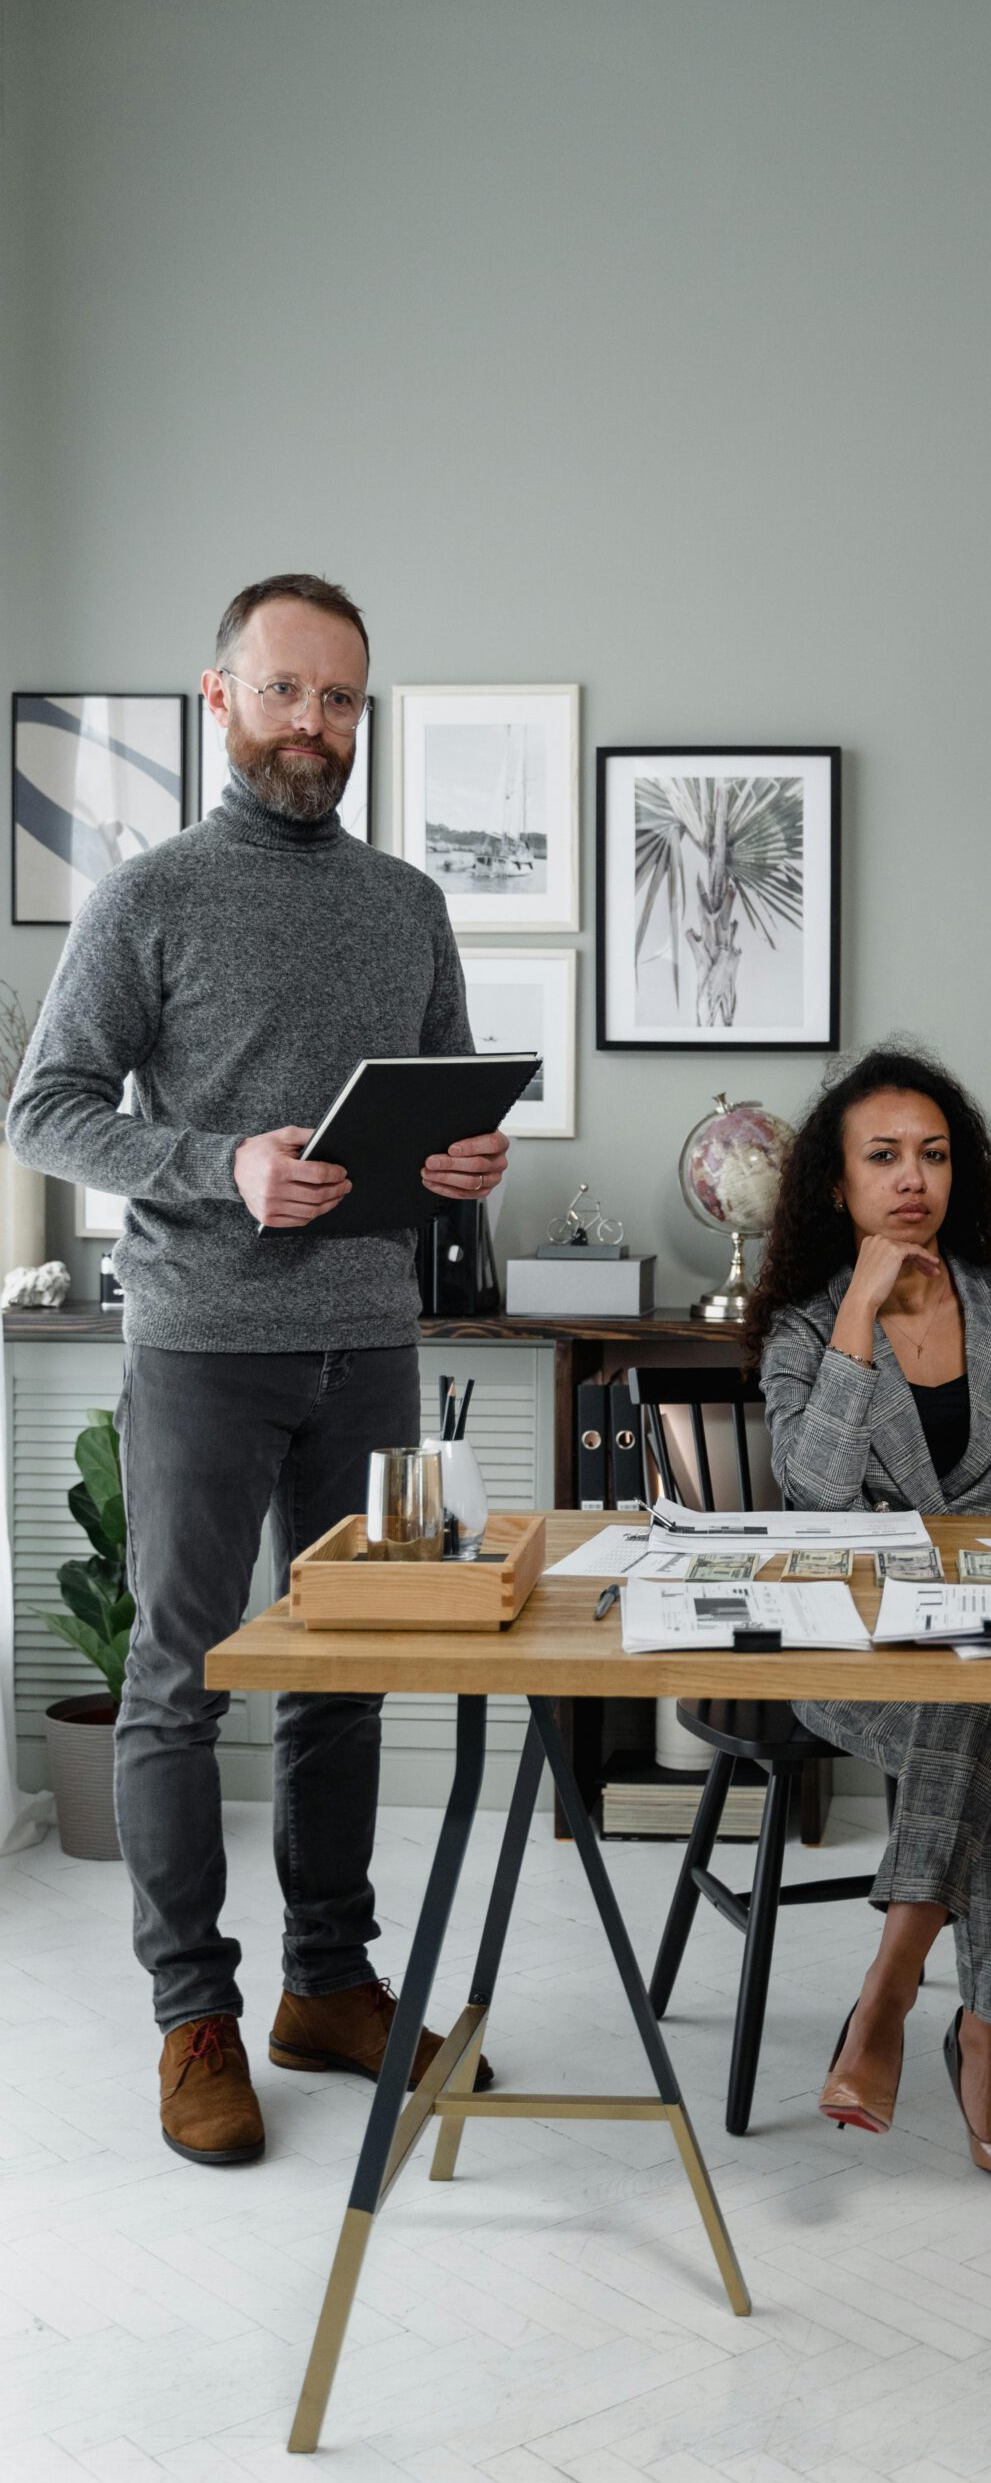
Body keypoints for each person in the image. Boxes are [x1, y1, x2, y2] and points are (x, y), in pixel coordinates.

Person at [7, 573, 511, 2166]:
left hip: (368, 1339)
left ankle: (329, 1985)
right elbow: (47, 1111)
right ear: (220, 698)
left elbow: (431, 1103)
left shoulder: (406, 904)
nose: (317, 725)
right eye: (288, 692)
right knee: (175, 1680)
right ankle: (193, 2017)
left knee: (345, 1677)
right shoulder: (145, 897)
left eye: (344, 699)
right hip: (201, 1347)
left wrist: (462, 1157)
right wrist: (219, 1165)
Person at [752, 1046, 991, 2189]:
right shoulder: (808, 1327)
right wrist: (860, 1302)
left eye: (935, 1154)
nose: (914, 1178)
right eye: (885, 1156)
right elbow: (813, 1495)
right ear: (839, 1184)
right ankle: (985, 2045)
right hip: (852, 1650)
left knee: (988, 1696)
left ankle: (889, 1995)